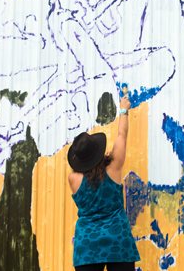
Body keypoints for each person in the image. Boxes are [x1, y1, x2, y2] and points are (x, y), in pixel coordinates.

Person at [67, 93, 140, 271]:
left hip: (88, 245)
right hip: (118, 239)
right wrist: (123, 109)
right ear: (99, 151)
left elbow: (83, 171)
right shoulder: (113, 168)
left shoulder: (74, 179)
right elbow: (122, 134)